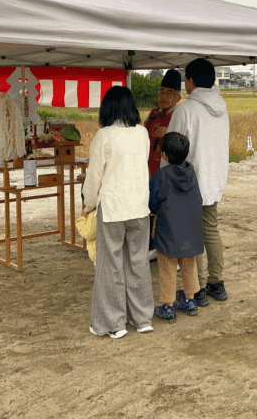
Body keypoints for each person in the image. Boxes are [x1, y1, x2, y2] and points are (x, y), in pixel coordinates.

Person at [82, 86, 154, 338]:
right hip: (139, 207)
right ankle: (143, 318)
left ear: (107, 108)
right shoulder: (143, 133)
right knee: (138, 262)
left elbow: (94, 177)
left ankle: (114, 323)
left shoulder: (104, 136)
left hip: (113, 208)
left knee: (109, 265)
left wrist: (88, 203)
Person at [164, 58, 229, 307]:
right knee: (211, 229)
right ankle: (216, 283)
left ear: (189, 81)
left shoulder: (185, 110)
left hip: (188, 180)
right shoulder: (222, 108)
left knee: (192, 235)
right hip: (213, 178)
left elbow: (172, 147)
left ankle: (197, 289)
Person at [149, 132, 204, 323]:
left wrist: (153, 211)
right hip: (191, 228)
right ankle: (190, 301)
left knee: (167, 269)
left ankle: (168, 307)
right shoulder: (192, 171)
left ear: (164, 154)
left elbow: (153, 202)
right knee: (189, 265)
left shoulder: (161, 175)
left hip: (168, 231)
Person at [145, 70, 183, 177]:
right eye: (161, 92)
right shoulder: (153, 114)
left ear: (178, 98)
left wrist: (170, 131)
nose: (164, 97)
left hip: (168, 171)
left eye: (169, 93)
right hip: (149, 166)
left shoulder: (179, 116)